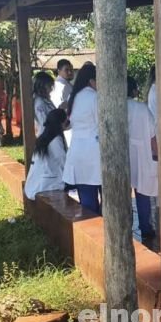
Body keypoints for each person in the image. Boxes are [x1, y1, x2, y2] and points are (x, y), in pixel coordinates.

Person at [62, 64, 101, 215]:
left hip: (77, 151)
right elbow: (102, 125)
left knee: (86, 200)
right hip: (94, 152)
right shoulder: (95, 97)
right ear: (92, 81)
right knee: (106, 199)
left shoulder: (74, 96)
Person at [127, 76, 157, 239]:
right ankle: (145, 227)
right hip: (141, 155)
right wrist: (156, 155)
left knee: (122, 194)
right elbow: (153, 135)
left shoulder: (115, 107)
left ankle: (124, 226)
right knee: (142, 192)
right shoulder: (141, 108)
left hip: (122, 155)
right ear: (133, 90)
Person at [24, 109, 67, 200]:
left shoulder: (44, 137)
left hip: (34, 184)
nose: (66, 126)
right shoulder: (56, 140)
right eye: (66, 123)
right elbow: (63, 162)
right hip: (46, 185)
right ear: (60, 123)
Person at [33, 71, 55, 137]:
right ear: (41, 86)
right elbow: (44, 123)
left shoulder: (45, 99)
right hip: (47, 136)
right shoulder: (39, 102)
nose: (51, 89)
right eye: (49, 86)